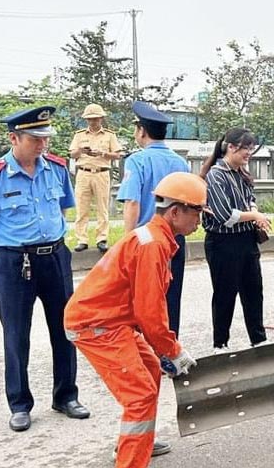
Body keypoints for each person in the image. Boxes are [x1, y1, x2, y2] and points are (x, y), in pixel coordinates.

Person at [65, 172, 202, 467]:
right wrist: (173, 350)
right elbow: (150, 313)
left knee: (150, 370)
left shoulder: (156, 238)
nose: (199, 220)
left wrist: (165, 351)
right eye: (197, 211)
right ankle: (130, 460)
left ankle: (138, 444)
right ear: (176, 212)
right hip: (96, 325)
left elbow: (147, 310)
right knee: (139, 395)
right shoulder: (152, 245)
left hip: (110, 320)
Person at [0, 106, 89, 432]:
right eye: (35, 139)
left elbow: (65, 209)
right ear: (14, 138)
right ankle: (20, 404)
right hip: (14, 263)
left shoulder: (57, 169)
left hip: (55, 258)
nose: (42, 145)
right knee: (16, 335)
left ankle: (66, 395)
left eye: (45, 138)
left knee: (65, 328)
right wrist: (12, 248)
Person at [117, 101, 190, 336]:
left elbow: (132, 202)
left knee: (144, 300)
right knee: (171, 297)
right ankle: (170, 351)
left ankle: (146, 354)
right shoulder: (179, 162)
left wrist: (127, 241)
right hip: (174, 239)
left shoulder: (136, 161)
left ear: (141, 131)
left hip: (146, 241)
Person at [202, 128, 271, 351]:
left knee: (254, 292)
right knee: (225, 294)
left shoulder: (241, 172)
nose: (249, 153)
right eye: (245, 148)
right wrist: (254, 216)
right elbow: (224, 216)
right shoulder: (216, 174)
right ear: (230, 147)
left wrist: (254, 211)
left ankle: (259, 340)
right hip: (223, 242)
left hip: (246, 240)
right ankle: (220, 344)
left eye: (251, 148)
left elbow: (250, 198)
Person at [69, 103, 122, 253]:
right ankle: (82, 239)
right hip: (84, 173)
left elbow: (118, 154)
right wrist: (81, 150)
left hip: (101, 172)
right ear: (86, 120)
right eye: (90, 119)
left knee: (102, 207)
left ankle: (102, 238)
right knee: (81, 207)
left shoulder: (109, 135)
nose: (93, 122)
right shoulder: (79, 135)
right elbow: (72, 154)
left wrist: (103, 154)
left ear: (101, 119)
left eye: (96, 119)